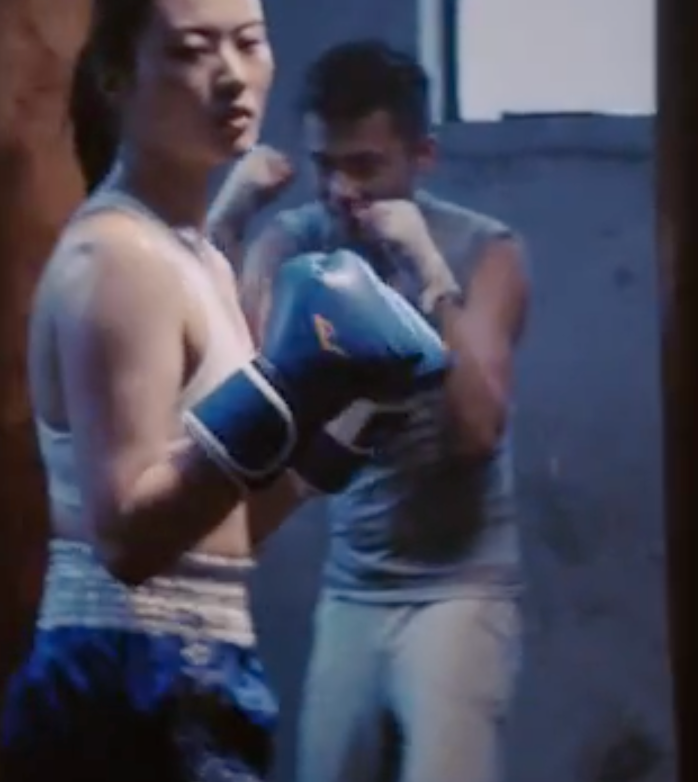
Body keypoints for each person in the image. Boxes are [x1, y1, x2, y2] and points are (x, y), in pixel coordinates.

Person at [0, 0, 452, 782]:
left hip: (198, 668)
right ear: (116, 78)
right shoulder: (118, 258)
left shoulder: (200, 260)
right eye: (192, 49)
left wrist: (340, 428)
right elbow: (127, 538)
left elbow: (228, 529)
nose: (233, 75)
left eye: (249, 41)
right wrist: (288, 386)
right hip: (122, 675)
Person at [215, 40, 533, 782]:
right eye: (325, 166)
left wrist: (427, 271)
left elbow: (479, 430)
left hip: (461, 589)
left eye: (365, 166)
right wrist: (228, 221)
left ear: (423, 156)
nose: (342, 191)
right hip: (352, 585)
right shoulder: (296, 241)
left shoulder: (485, 250)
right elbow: (235, 398)